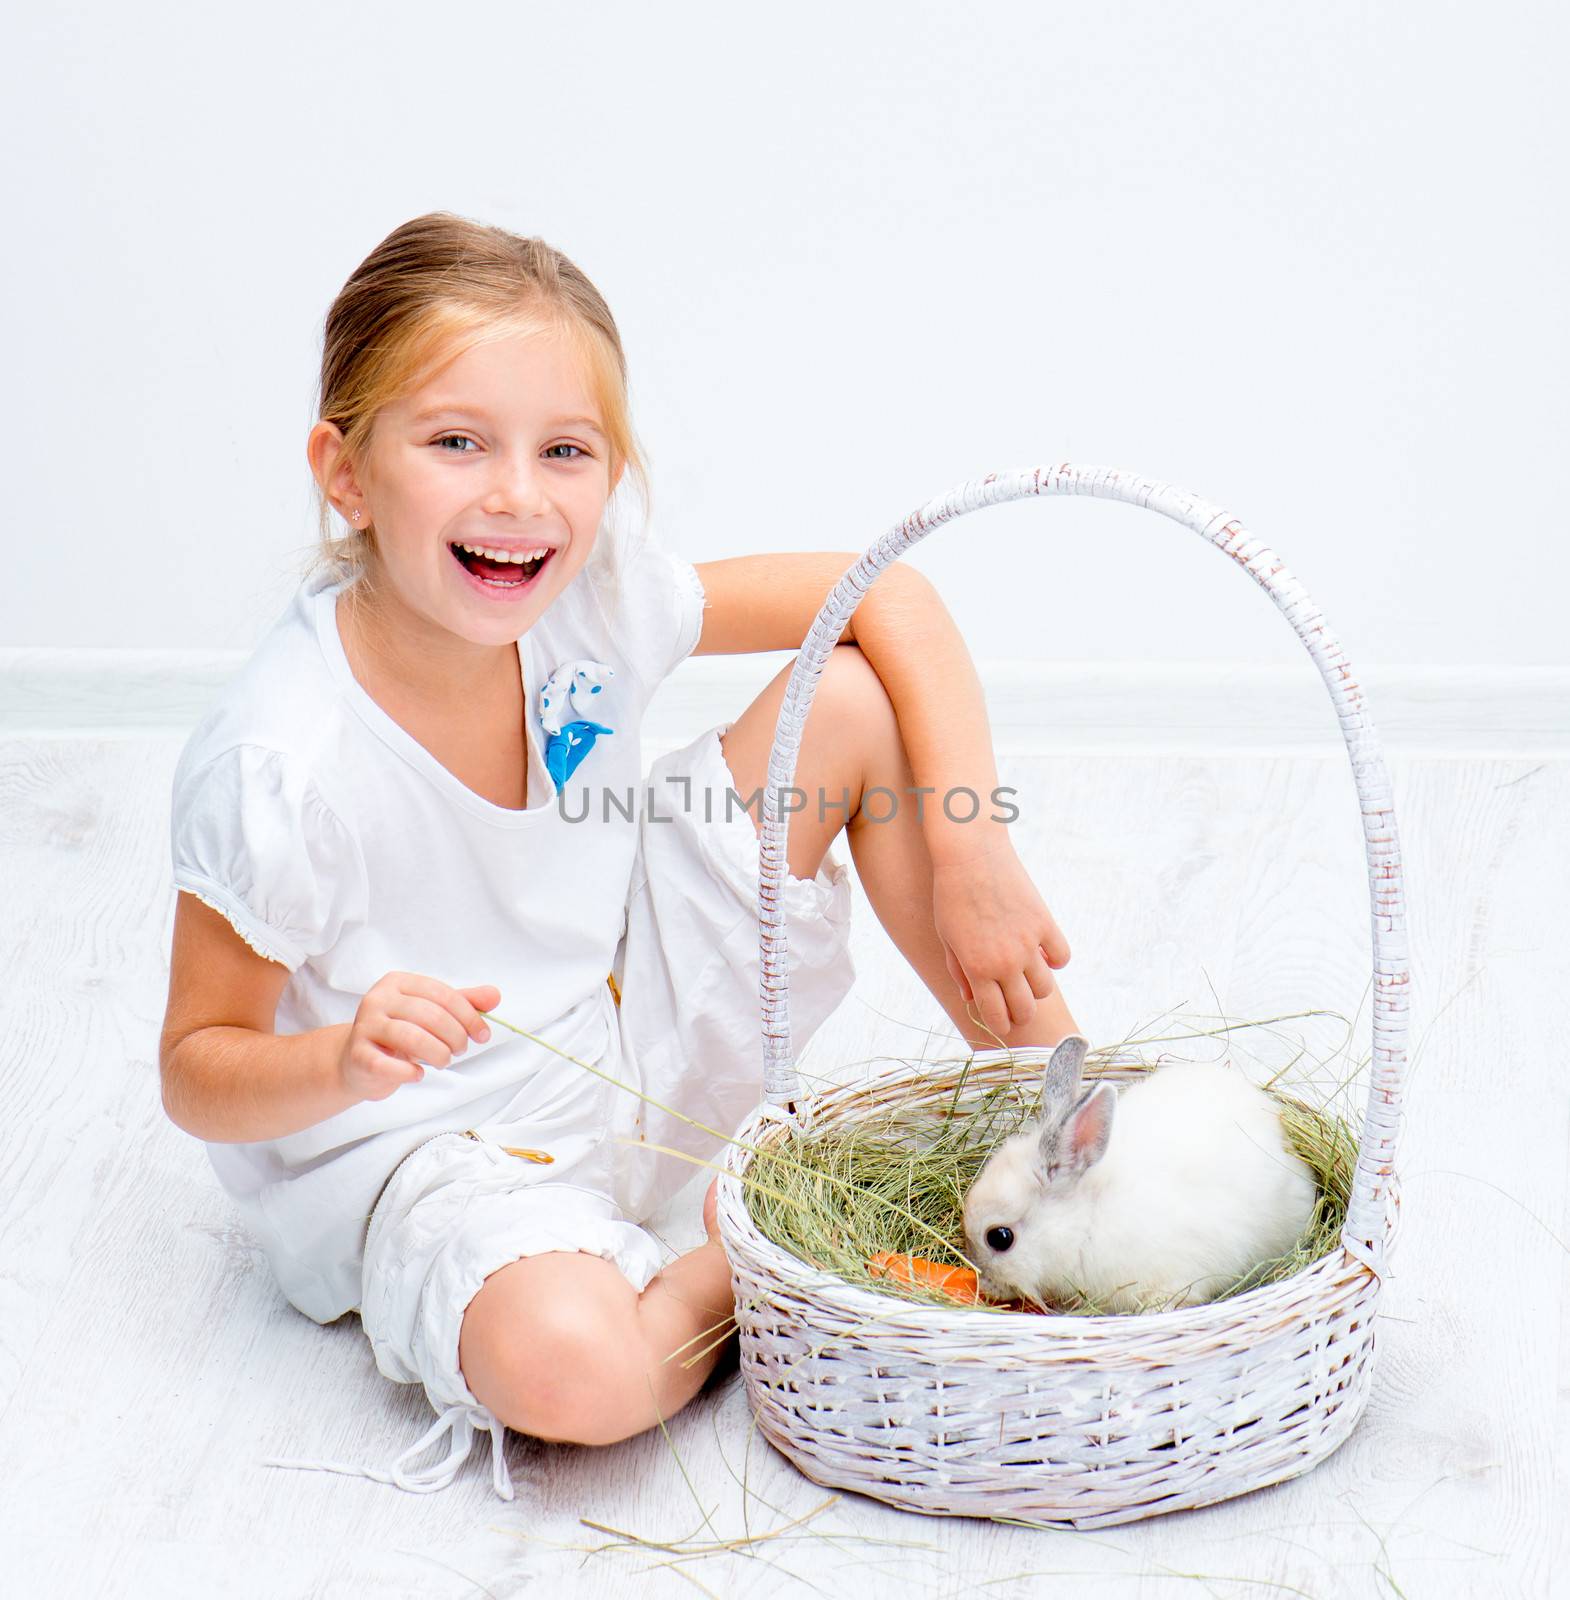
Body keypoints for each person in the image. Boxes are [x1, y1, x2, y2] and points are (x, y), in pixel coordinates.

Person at [157, 212, 1081, 1501]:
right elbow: (197, 1072)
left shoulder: (590, 599)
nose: (518, 495)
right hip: (434, 1153)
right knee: (577, 1376)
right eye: (456, 442)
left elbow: (892, 596)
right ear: (349, 473)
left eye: (566, 451)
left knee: (857, 705)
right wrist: (338, 1054)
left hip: (616, 1034)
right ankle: (764, 1242)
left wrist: (972, 846)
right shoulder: (284, 761)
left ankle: (1090, 1159)